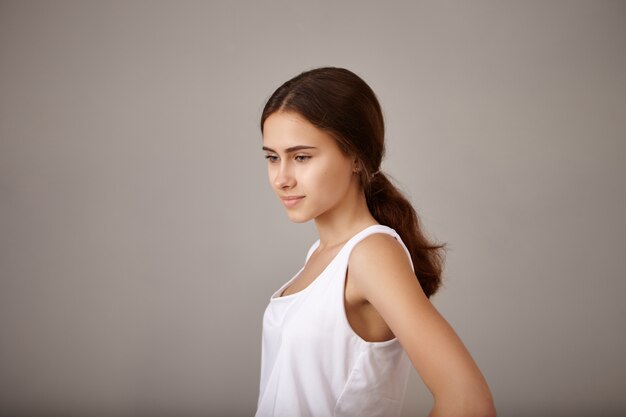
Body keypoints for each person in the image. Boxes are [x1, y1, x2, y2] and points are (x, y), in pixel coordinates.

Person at [255, 67, 496, 417]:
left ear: (355, 156)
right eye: (272, 157)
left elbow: (469, 402)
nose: (281, 178)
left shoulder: (371, 254)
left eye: (301, 157)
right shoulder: (321, 255)